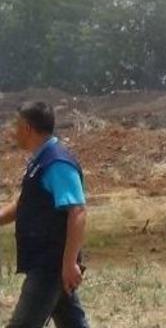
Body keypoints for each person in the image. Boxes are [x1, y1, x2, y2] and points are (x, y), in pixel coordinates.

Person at [0, 101, 89, 328]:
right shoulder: (40, 161)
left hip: (50, 265)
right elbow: (26, 204)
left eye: (16, 126)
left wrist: (69, 263)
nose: (13, 131)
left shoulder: (56, 162)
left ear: (28, 128)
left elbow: (77, 211)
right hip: (48, 262)